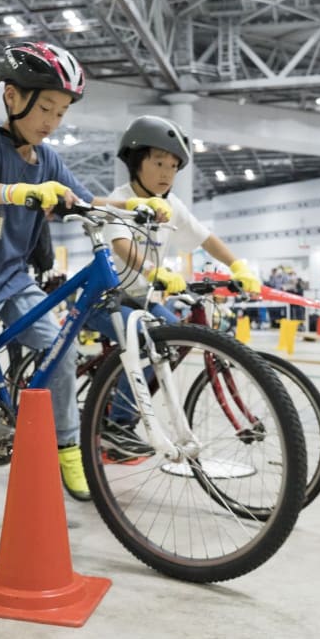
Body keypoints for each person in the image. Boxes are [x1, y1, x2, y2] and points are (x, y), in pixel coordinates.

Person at [0, 41, 163, 503]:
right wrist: (19, 192)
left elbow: (85, 201)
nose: (51, 121)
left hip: (15, 280)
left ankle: (68, 446)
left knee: (61, 350)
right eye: (45, 108)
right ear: (13, 97)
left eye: (60, 113)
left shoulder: (50, 160)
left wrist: (133, 204)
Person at [86, 115, 262, 446]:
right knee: (152, 341)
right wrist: (155, 272)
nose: (167, 172)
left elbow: (206, 238)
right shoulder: (121, 198)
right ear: (136, 162)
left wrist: (238, 265)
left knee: (177, 340)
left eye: (173, 165)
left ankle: (127, 400)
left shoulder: (171, 205)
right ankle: (117, 424)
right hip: (107, 299)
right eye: (158, 162)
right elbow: (120, 245)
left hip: (145, 300)